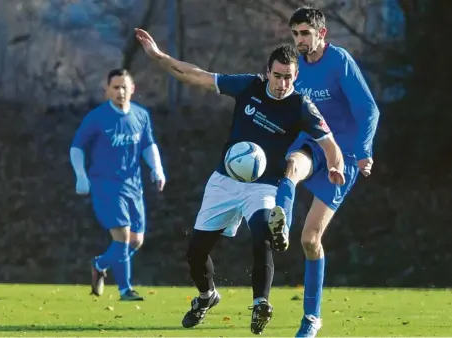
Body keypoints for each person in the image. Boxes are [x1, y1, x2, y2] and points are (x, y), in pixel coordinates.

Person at [135, 28, 344, 335]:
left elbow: (330, 145)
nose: (283, 83)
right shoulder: (248, 86)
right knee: (196, 254)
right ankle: (207, 297)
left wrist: (335, 167)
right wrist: (158, 56)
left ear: (296, 76)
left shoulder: (301, 106)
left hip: (264, 186)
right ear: (267, 72)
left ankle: (261, 303)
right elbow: (198, 76)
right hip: (224, 180)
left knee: (263, 233)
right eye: (277, 76)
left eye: (289, 77)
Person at [267, 7, 381, 337]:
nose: (300, 39)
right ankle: (281, 225)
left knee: (311, 240)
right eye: (295, 33)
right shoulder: (293, 65)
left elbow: (368, 109)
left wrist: (363, 153)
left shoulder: (340, 61)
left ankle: (312, 318)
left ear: (321, 34)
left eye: (305, 33)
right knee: (290, 167)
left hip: (341, 155)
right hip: (310, 144)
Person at [69, 68, 166, 301]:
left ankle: (100, 263)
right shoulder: (97, 117)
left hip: (133, 185)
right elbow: (76, 147)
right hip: (106, 184)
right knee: (122, 235)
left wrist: (157, 168)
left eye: (124, 87)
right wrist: (81, 175)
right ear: (107, 91)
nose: (120, 91)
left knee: (135, 240)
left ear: (133, 89)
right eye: (115, 87)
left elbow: (147, 145)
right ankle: (125, 290)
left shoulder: (141, 115)